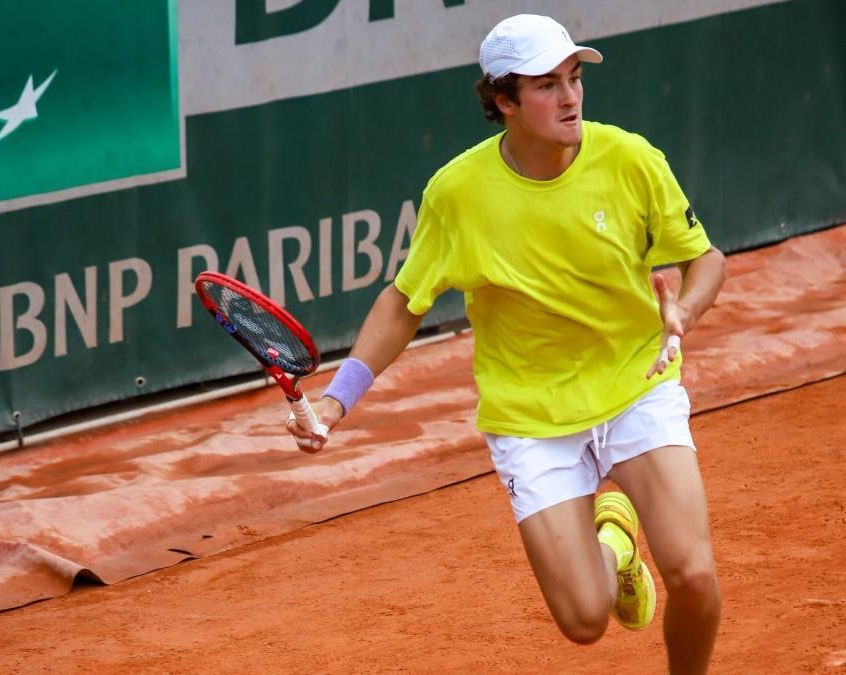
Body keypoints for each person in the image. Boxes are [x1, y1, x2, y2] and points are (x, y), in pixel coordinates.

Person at [287, 13, 726, 674]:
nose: (571, 97)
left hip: (635, 380)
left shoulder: (631, 159)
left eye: (574, 78)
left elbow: (706, 257)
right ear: (504, 101)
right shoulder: (457, 194)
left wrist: (684, 313)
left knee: (692, 571)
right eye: (547, 85)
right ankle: (616, 541)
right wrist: (339, 399)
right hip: (530, 414)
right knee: (584, 619)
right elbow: (405, 302)